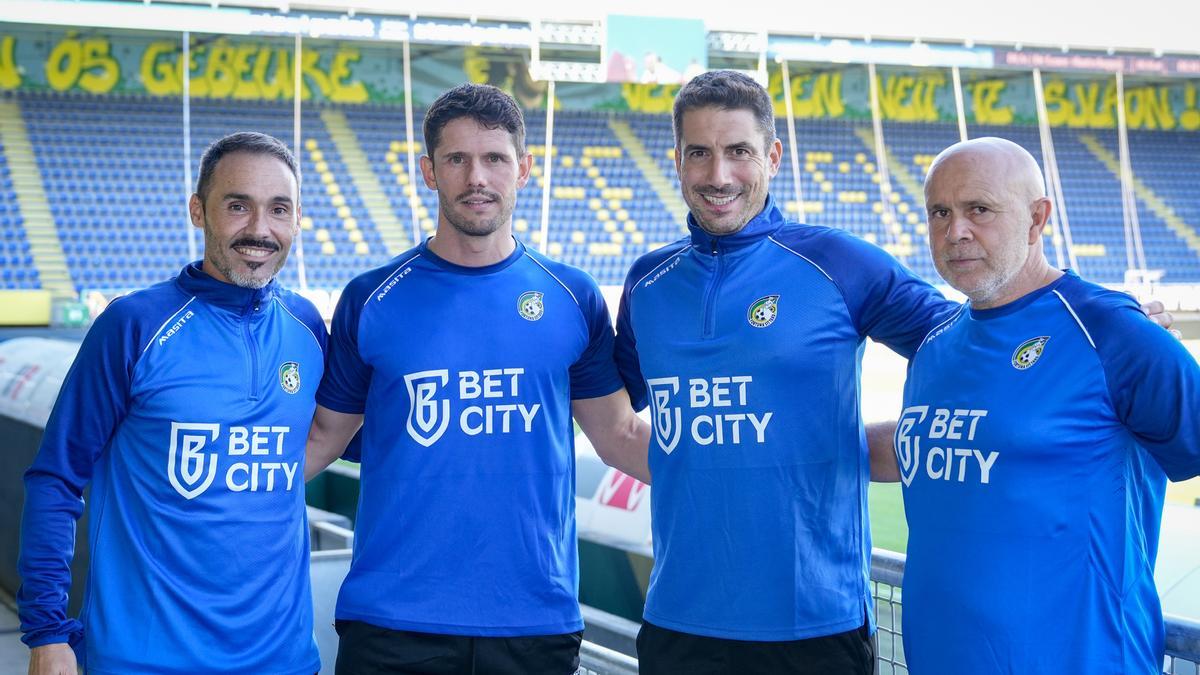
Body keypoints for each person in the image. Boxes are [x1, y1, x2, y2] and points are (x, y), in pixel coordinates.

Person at [611, 71, 1176, 674]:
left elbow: (973, 341)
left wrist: (1094, 323)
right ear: (677, 160)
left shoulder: (839, 264)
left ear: (772, 157)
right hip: (676, 620)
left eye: (739, 152)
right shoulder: (648, 283)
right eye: (699, 153)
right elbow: (613, 413)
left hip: (817, 624)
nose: (719, 175)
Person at [304, 83, 649, 675]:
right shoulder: (371, 298)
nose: (476, 178)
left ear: (525, 168)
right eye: (457, 159)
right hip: (391, 621)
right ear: (428, 171)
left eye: (494, 158)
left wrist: (748, 471)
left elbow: (618, 436)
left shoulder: (573, 297)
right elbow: (320, 440)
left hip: (533, 620)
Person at [875, 136, 1200, 674]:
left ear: (1036, 218)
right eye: (940, 212)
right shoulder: (933, 349)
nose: (956, 231)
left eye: (979, 209)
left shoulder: (1112, 332)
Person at [19, 132, 326, 674]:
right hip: (142, 661)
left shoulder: (306, 325)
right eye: (237, 206)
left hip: (283, 660)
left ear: (298, 219)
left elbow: (339, 434)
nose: (259, 229)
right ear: (197, 210)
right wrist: (47, 633)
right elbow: (56, 478)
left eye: (279, 209)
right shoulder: (133, 324)